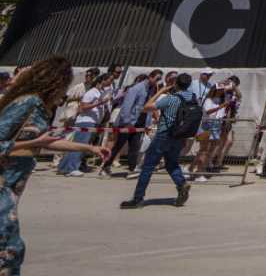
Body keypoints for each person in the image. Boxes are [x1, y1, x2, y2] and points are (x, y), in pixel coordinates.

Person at [0, 57, 113, 269]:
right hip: (3, 184)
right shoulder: (28, 103)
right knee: (10, 249)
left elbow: (48, 142)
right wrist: (36, 142)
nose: (65, 93)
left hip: (12, 186)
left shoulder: (39, 107)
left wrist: (89, 148)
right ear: (54, 82)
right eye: (64, 85)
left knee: (9, 249)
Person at [120, 72, 201, 209]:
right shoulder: (192, 98)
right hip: (179, 136)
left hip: (164, 134)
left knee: (148, 166)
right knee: (171, 163)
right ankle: (181, 183)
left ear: (176, 84)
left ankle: (138, 198)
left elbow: (146, 107)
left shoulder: (171, 98)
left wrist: (161, 91)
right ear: (189, 85)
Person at [103, 69, 160, 176]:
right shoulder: (136, 88)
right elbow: (126, 106)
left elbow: (148, 109)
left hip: (140, 123)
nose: (157, 81)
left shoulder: (152, 90)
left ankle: (132, 168)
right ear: (150, 77)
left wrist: (147, 124)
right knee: (118, 145)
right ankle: (106, 166)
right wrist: (127, 121)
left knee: (135, 147)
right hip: (129, 122)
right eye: (157, 79)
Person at [57, 69, 112, 177]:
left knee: (78, 146)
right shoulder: (91, 92)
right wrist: (100, 103)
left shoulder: (100, 93)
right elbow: (82, 107)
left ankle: (64, 167)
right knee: (79, 146)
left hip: (93, 122)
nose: (110, 83)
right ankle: (71, 168)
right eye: (109, 80)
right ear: (102, 81)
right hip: (85, 122)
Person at [189, 76, 233, 182]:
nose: (223, 91)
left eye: (223, 90)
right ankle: (198, 172)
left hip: (216, 125)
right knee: (204, 150)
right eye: (221, 90)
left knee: (209, 150)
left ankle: (192, 169)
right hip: (207, 125)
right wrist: (221, 106)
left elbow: (230, 94)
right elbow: (208, 112)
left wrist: (226, 83)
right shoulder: (208, 99)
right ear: (216, 90)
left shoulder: (223, 99)